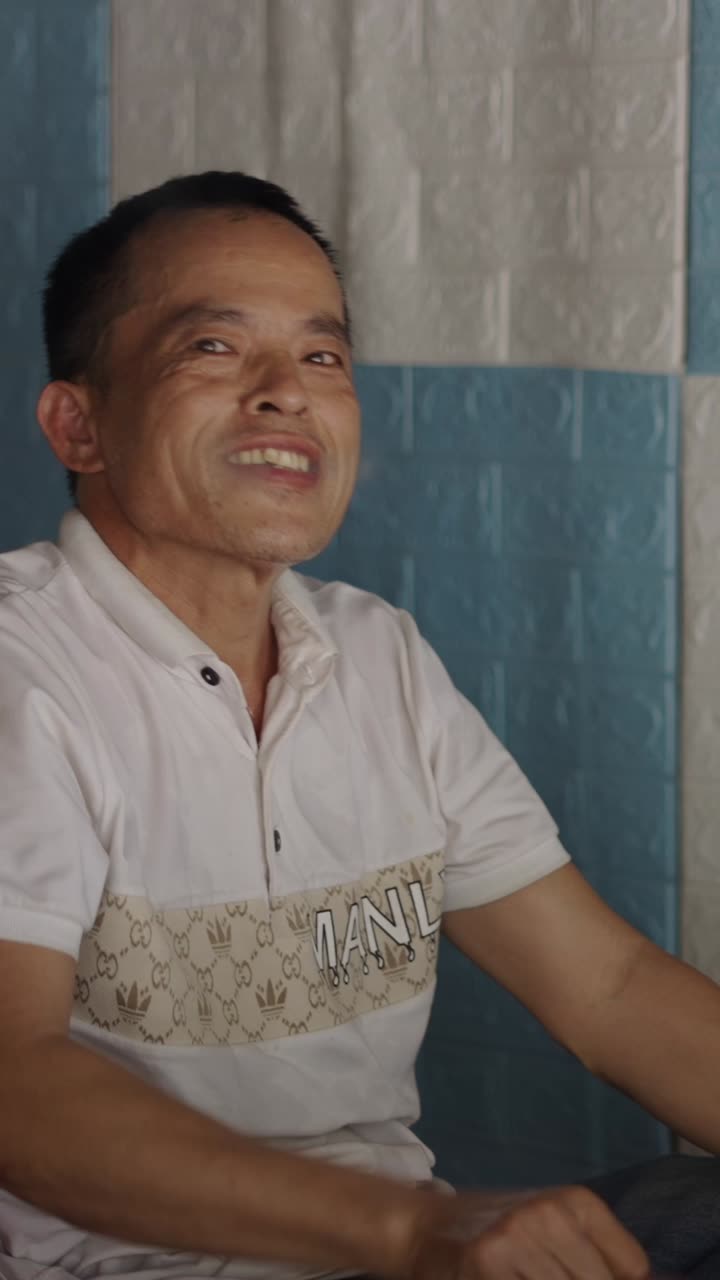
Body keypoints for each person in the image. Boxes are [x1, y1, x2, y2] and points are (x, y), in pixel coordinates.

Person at [0, 170, 717, 1280]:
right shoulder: (23, 667)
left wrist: (422, 1234)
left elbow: (609, 988)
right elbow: (16, 1084)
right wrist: (417, 1228)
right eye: (214, 348)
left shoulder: (378, 656)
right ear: (78, 423)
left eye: (323, 355)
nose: (288, 391)